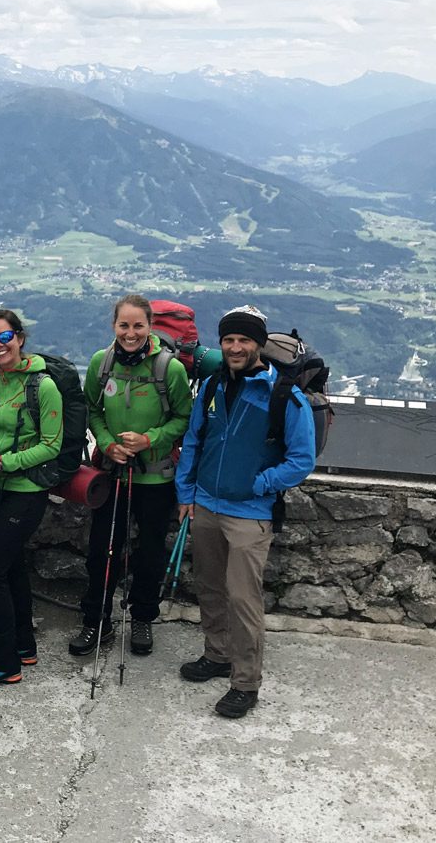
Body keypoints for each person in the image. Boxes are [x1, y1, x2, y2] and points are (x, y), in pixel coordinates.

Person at [175, 305, 316, 719]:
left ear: (258, 343)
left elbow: (301, 459)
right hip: (206, 504)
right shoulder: (214, 386)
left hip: (250, 514)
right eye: (229, 340)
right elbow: (194, 441)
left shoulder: (283, 396)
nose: (235, 347)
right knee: (210, 588)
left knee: (242, 598)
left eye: (244, 340)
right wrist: (187, 493)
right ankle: (217, 654)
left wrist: (258, 485)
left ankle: (245, 682)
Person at [71, 295, 193, 657]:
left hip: (155, 478)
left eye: (138, 325)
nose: (130, 333)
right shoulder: (101, 363)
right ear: (114, 326)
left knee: (150, 554)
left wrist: (148, 440)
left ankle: (142, 617)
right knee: (101, 551)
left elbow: (183, 419)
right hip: (114, 473)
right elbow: (91, 408)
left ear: (150, 326)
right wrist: (107, 444)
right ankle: (97, 621)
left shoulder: (169, 369)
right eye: (124, 325)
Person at [0, 309, 62, 689]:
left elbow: (51, 445)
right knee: (10, 567)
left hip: (26, 491)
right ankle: (23, 644)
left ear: (20, 338)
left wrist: (5, 462)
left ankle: (4, 661)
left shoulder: (43, 386)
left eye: (4, 337)